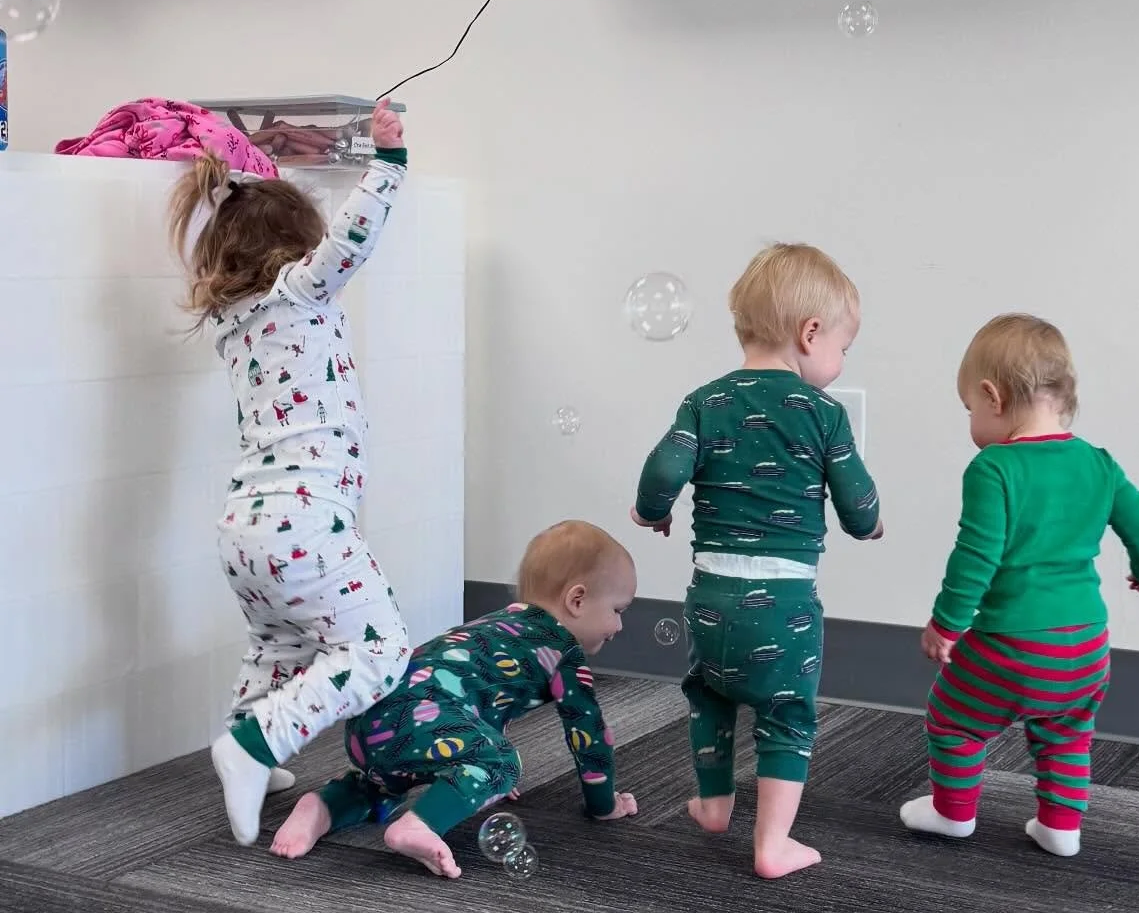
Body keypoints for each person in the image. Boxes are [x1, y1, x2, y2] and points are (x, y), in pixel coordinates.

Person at [167, 99, 412, 847]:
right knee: (381, 651)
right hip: (303, 520)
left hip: (247, 527)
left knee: (279, 645)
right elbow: (352, 243)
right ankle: (250, 746)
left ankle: (252, 739)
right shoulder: (299, 293)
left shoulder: (230, 323)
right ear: (293, 252)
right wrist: (388, 165)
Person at [631, 242, 883, 880]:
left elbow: (665, 467)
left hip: (710, 595)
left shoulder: (704, 400)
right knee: (787, 710)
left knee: (709, 694)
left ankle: (714, 806)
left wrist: (651, 511)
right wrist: (872, 523)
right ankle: (773, 843)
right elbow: (858, 506)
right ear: (811, 332)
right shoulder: (825, 415)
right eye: (844, 346)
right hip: (786, 607)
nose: (841, 359)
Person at [899, 313, 1139, 858]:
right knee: (1067, 733)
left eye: (969, 408)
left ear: (993, 397)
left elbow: (976, 556)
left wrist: (946, 624)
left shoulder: (994, 468)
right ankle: (1061, 827)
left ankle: (953, 813)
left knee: (952, 717)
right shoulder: (1098, 463)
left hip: (1011, 644)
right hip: (1088, 644)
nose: (971, 420)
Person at [270, 520, 640, 877]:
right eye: (617, 611)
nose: (620, 627)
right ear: (577, 599)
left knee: (385, 782)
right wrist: (603, 804)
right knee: (502, 764)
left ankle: (323, 806)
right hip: (421, 722)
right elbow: (589, 736)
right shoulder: (562, 651)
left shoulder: (499, 623)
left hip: (368, 725)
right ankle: (419, 825)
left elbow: (481, 699)